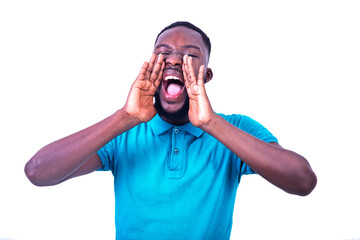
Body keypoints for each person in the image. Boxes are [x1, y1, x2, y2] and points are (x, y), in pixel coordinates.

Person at [25, 21, 317, 239]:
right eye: (163, 53)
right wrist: (125, 118)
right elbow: (37, 172)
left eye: (190, 55)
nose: (175, 60)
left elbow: (303, 181)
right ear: (150, 66)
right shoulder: (124, 133)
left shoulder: (234, 128)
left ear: (208, 75)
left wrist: (211, 123)